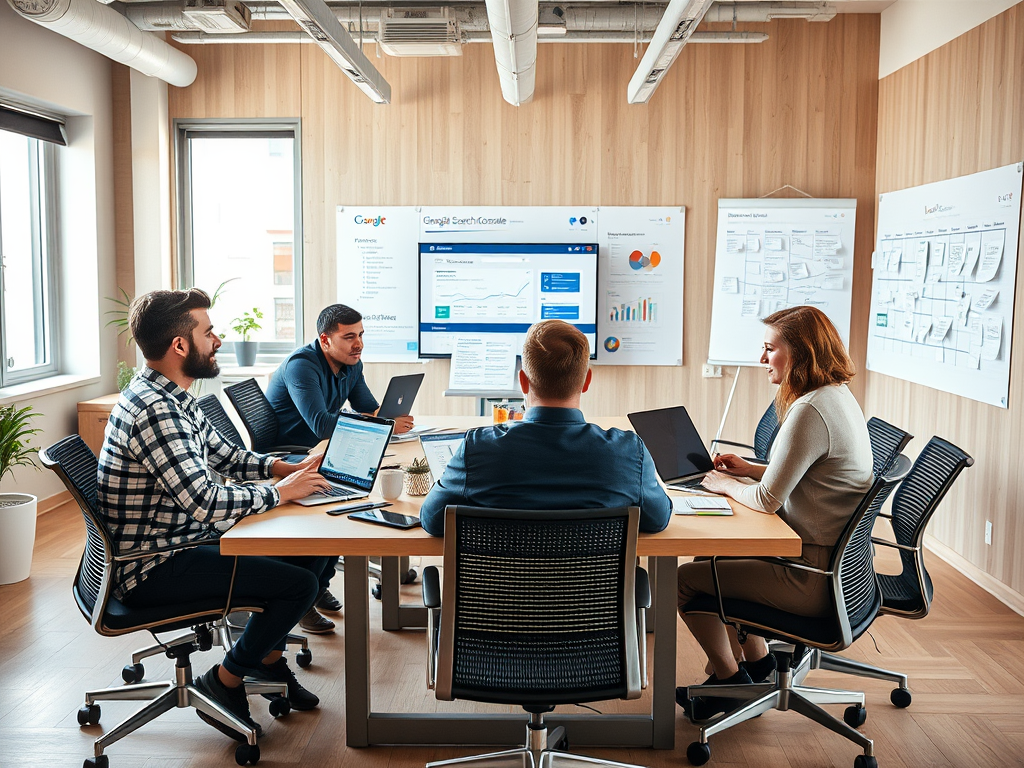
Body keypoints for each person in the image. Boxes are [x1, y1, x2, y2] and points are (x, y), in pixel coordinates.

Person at [97, 288, 336, 742]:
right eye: (209, 332)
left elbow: (225, 456)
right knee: (300, 584)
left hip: (179, 541)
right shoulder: (155, 411)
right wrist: (281, 493)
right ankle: (223, 682)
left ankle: (266, 658)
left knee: (315, 550)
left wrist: (287, 468)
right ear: (180, 346)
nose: (219, 339)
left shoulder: (174, 396)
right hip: (155, 565)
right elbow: (206, 501)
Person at [676, 305, 873, 721]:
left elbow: (767, 501)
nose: (762, 359)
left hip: (809, 576)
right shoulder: (835, 396)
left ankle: (729, 680)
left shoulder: (809, 410)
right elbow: (814, 471)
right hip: (829, 564)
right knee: (710, 559)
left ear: (800, 353)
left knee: (685, 581)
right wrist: (749, 469)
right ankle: (760, 662)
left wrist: (725, 484)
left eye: (770, 349)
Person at [419, 319, 672, 536]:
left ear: (523, 382)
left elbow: (431, 520)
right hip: (591, 592)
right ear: (586, 382)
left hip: (500, 591)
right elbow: (658, 519)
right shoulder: (627, 452)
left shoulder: (478, 449)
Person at [265, 303, 415, 631]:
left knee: (356, 489)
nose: (358, 344)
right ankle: (304, 595)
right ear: (325, 340)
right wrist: (376, 422)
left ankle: (317, 586)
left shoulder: (351, 365)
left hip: (323, 451)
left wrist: (387, 419)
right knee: (340, 497)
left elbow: (367, 408)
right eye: (349, 337)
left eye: (360, 335)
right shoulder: (301, 366)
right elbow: (320, 425)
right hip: (289, 457)